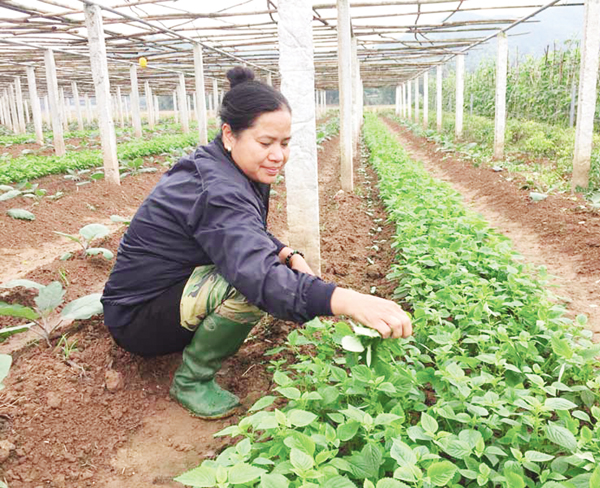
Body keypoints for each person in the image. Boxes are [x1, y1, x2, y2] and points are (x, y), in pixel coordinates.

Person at [101, 66, 412, 419]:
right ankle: (191, 381)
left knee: (268, 263)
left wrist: (286, 251)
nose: (278, 155)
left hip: (163, 292)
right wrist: (347, 300)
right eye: (266, 143)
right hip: (136, 318)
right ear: (230, 135)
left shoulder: (227, 165)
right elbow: (257, 274)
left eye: (284, 143)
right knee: (248, 285)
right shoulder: (217, 187)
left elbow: (243, 230)